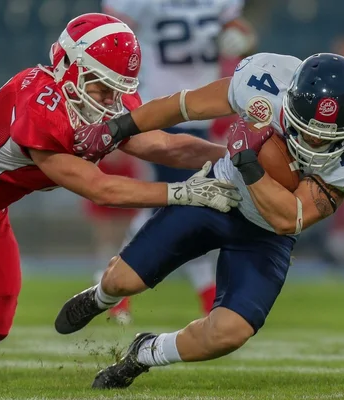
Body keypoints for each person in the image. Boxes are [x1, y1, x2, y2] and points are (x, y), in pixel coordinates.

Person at [0, 13, 242, 382]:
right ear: (68, 68)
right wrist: (183, 192)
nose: (110, 100)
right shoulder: (39, 109)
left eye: (116, 89)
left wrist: (230, 156)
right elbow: (100, 188)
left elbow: (163, 145)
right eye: (100, 86)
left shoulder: (95, 96)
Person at [54, 52, 344, 389]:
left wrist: (248, 161)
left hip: (267, 233)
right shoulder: (264, 81)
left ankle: (146, 352)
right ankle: (100, 297)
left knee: (230, 332)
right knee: (120, 281)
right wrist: (117, 127)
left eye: (326, 137)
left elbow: (289, 219)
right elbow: (184, 105)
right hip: (216, 194)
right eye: (306, 132)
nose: (314, 144)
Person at [99, 0, 257, 320]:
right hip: (166, 107)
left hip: (194, 110)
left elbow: (242, 36)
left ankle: (115, 289)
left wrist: (238, 40)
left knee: (182, 200)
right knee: (183, 201)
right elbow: (113, 37)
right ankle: (119, 288)